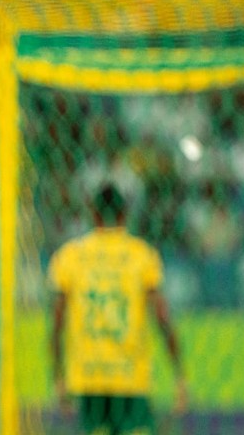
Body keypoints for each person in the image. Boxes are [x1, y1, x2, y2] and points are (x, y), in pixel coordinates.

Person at [48, 183, 187, 435]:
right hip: (130, 376)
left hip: (88, 376)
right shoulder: (142, 255)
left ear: (92, 213)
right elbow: (162, 317)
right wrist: (179, 374)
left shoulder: (70, 256)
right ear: (125, 214)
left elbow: (57, 322)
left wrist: (58, 376)